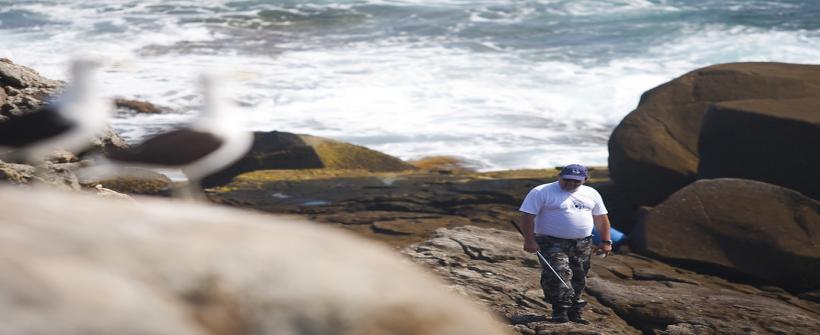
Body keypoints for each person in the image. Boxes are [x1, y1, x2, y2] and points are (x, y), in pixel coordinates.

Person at [519, 164, 612, 324]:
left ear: (585, 180)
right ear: (559, 176)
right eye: (567, 180)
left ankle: (574, 311)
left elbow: (601, 219)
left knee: (579, 276)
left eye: (576, 181)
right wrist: (529, 240)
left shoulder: (592, 193)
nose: (571, 183)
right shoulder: (541, 192)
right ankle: (560, 310)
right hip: (550, 241)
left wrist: (605, 241)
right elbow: (527, 216)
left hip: (582, 243)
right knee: (560, 273)